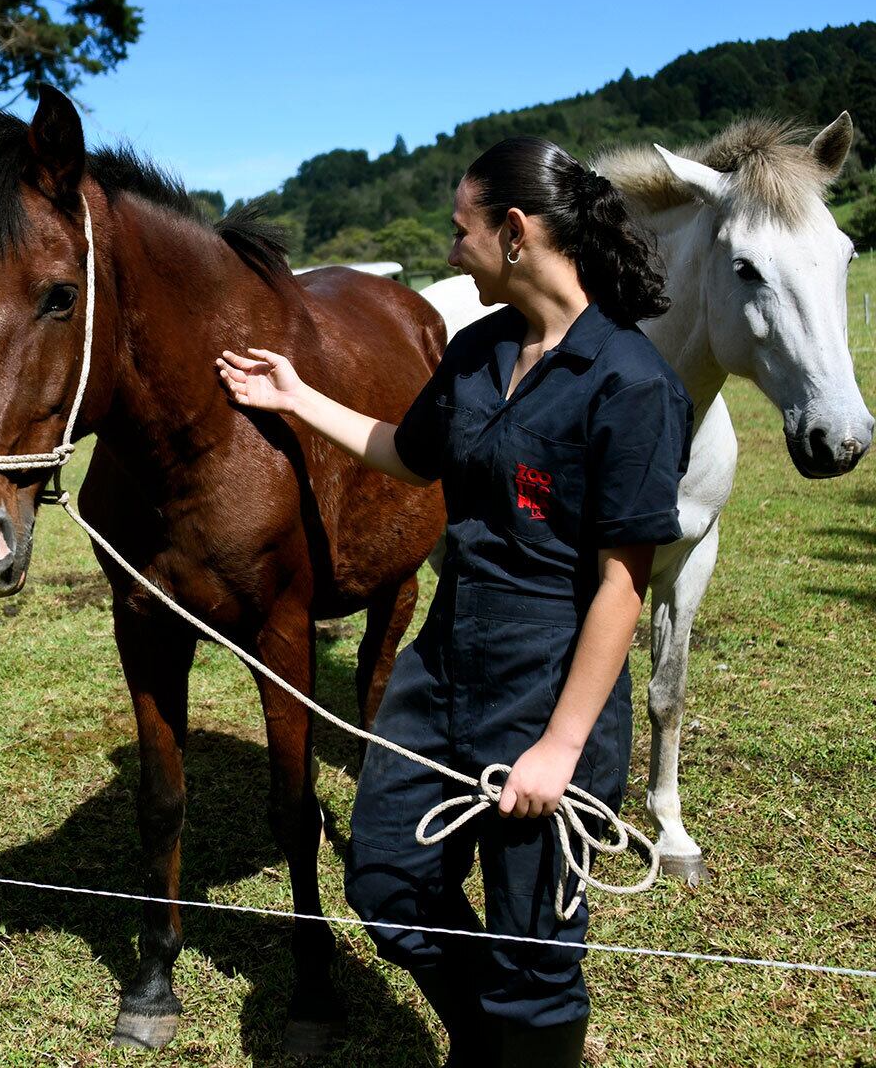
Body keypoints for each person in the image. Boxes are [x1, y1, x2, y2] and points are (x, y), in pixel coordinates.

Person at [217, 138, 692, 1067]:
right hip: (444, 658)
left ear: (514, 234)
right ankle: (490, 1039)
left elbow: (622, 584)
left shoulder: (631, 383)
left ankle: (522, 1037)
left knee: (533, 943)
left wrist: (558, 749)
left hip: (552, 672)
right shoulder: (477, 351)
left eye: (459, 230)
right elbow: (410, 451)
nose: (449, 250)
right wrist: (296, 395)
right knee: (387, 876)